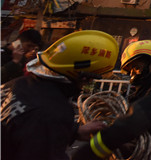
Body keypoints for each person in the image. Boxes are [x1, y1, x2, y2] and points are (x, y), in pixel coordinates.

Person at [1, 30, 117, 160]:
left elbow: (23, 126)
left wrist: (74, 131)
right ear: (83, 77)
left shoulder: (17, 84)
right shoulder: (53, 112)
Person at [72, 40, 151, 160]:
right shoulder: (143, 90)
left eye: (137, 67)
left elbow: (134, 120)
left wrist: (94, 149)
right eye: (131, 68)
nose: (133, 72)